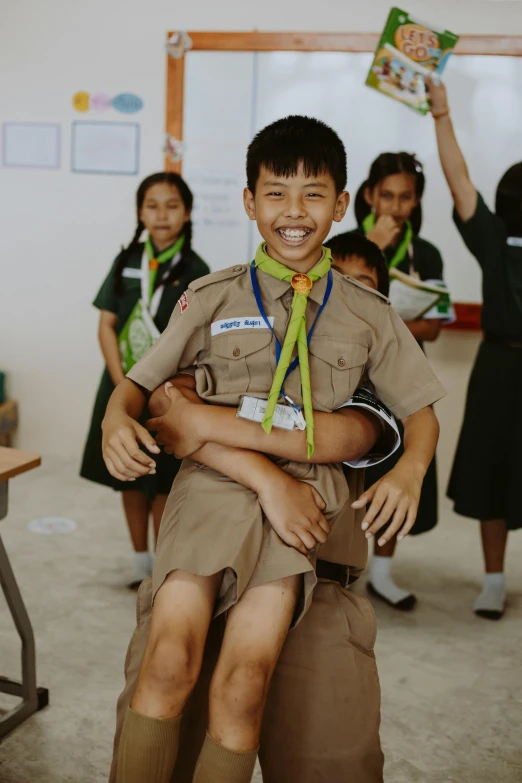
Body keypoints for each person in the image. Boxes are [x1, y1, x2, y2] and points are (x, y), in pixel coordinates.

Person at [102, 115, 444, 783]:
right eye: (277, 193)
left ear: (344, 204)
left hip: (304, 512)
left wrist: (411, 470)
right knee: (168, 658)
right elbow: (141, 389)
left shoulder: (371, 314)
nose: (295, 212)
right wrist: (117, 420)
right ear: (250, 202)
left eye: (314, 194)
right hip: (210, 495)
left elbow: (421, 413)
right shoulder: (209, 295)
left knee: (244, 682)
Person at [107, 236, 396, 783]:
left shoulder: (374, 382)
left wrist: (205, 428)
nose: (348, 304)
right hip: (212, 556)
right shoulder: (259, 336)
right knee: (166, 677)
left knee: (327, 759)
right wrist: (265, 479)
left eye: (367, 290)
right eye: (339, 289)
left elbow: (336, 436)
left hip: (317, 588)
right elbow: (170, 403)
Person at [80, 173, 209, 588]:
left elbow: (198, 338)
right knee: (129, 476)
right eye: (152, 205)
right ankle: (139, 559)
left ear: (187, 213)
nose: (161, 214)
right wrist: (125, 387)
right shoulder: (126, 261)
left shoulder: (196, 268)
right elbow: (105, 325)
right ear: (140, 212)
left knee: (163, 479)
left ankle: (160, 563)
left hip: (168, 395)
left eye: (171, 205)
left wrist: (154, 390)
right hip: (120, 388)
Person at [429, 78, 522, 620]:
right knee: (492, 471)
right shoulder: (493, 238)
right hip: (496, 364)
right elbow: (459, 181)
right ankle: (492, 580)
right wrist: (442, 116)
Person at [346, 152, 452, 610]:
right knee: (347, 464)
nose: (394, 206)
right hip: (347, 371)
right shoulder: (346, 245)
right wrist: (372, 245)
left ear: (417, 200)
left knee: (396, 463)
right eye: (386, 195)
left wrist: (385, 327)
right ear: (368, 195)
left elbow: (432, 326)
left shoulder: (425, 253)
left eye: (405, 197)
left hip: (401, 371)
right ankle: (339, 563)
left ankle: (384, 574)